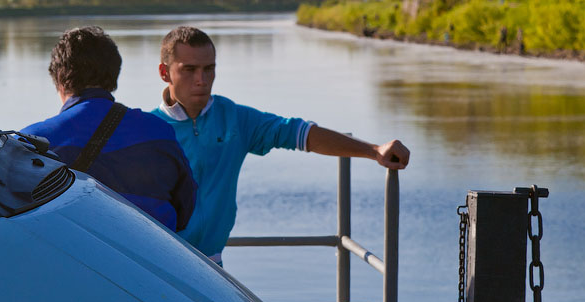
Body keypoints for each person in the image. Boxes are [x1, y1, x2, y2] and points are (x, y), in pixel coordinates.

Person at [152, 26, 410, 264]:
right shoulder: (148, 130)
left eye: (209, 69)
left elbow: (300, 133)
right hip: (162, 265)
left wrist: (373, 150)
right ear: (165, 73)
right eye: (189, 69)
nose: (202, 79)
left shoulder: (235, 119)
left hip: (213, 264)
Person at [22, 26, 195, 232]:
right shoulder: (160, 132)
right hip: (152, 259)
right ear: (115, 74)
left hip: (74, 260)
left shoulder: (33, 142)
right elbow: (185, 210)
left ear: (59, 77)